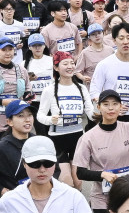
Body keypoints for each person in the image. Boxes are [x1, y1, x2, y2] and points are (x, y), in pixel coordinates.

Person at [89, 22, 129, 173]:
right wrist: (112, 107)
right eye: (121, 38)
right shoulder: (105, 64)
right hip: (112, 119)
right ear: (114, 40)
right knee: (113, 159)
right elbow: (94, 91)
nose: (125, 41)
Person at [35, 51, 94, 188]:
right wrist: (51, 120)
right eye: (65, 63)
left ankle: (75, 208)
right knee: (67, 181)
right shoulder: (49, 90)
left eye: (72, 63)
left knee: (78, 181)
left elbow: (90, 112)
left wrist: (102, 114)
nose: (70, 66)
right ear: (56, 67)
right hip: (57, 139)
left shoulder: (81, 88)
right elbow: (40, 116)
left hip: (77, 138)